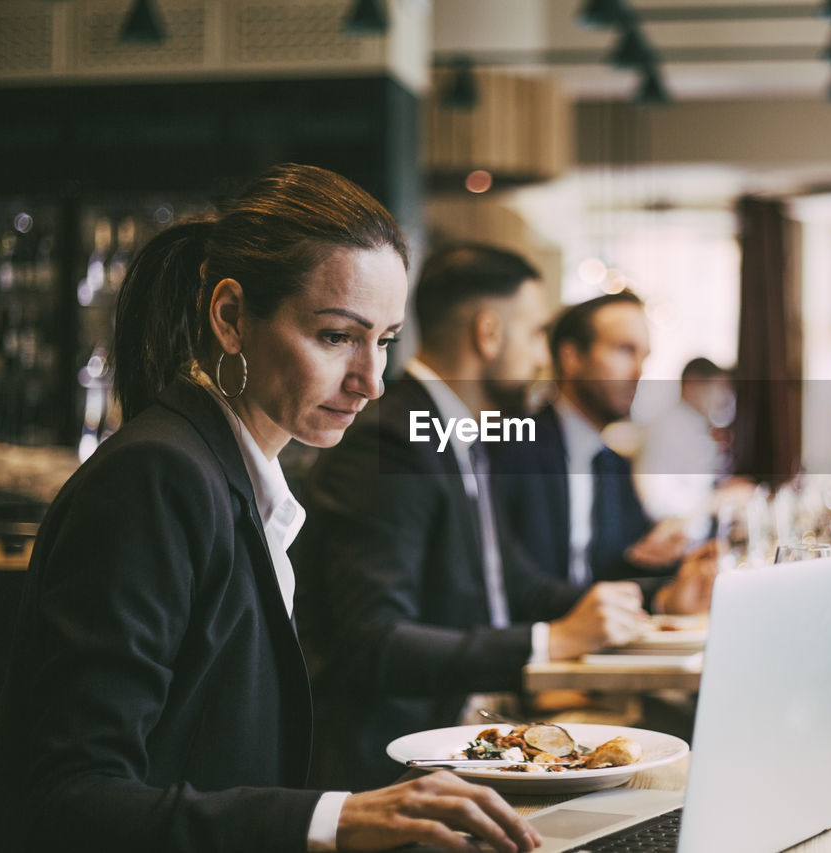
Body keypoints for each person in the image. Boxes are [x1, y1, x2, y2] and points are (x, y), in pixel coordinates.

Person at [0, 166, 539, 853]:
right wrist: (337, 818)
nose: (370, 380)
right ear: (231, 317)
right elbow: (69, 800)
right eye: (335, 336)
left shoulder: (227, 470)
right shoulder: (159, 476)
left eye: (383, 340)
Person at [293, 245, 709, 793]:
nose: (545, 356)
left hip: (480, 736)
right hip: (404, 768)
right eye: (537, 333)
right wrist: (548, 642)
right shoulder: (388, 441)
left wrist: (654, 599)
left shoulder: (464, 431)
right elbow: (376, 643)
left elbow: (515, 584)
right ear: (488, 334)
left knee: (668, 772)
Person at [490, 292, 693, 586]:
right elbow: (513, 585)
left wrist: (663, 559)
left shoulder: (613, 464)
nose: (639, 372)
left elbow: (612, 570)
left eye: (644, 357)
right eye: (625, 350)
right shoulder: (512, 446)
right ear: (571, 357)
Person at [634, 357, 734, 542]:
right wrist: (716, 501)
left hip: (699, 538)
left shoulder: (696, 425)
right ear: (692, 385)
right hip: (675, 545)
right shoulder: (665, 428)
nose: (722, 397)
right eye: (717, 388)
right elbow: (655, 501)